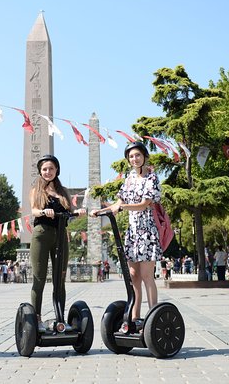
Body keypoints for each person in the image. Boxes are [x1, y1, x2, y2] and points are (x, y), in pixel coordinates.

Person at [91, 141, 161, 332]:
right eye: (131, 156)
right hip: (132, 232)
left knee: (147, 275)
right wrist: (100, 211)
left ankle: (153, 316)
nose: (134, 159)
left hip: (146, 231)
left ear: (144, 156)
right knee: (133, 276)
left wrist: (122, 207)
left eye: (137, 155)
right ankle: (135, 317)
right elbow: (118, 202)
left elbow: (144, 204)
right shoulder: (129, 178)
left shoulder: (152, 178)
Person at [30, 154, 86, 331]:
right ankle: (36, 318)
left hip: (61, 234)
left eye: (51, 169)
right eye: (45, 169)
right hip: (42, 234)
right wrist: (43, 211)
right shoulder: (36, 191)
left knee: (59, 278)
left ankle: (60, 317)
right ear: (40, 171)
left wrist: (79, 212)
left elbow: (70, 211)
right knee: (39, 278)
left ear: (56, 171)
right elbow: (34, 210)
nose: (48, 172)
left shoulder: (63, 192)